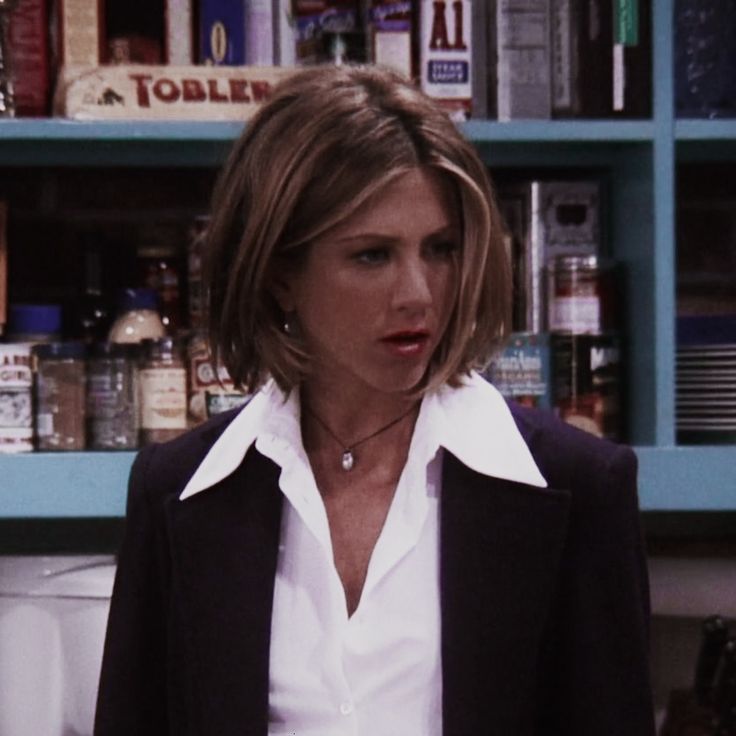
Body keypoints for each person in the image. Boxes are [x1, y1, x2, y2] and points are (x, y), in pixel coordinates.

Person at [94, 64, 655, 736]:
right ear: (278, 276)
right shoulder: (179, 491)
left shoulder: (578, 489)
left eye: (439, 249)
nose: (418, 292)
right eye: (372, 256)